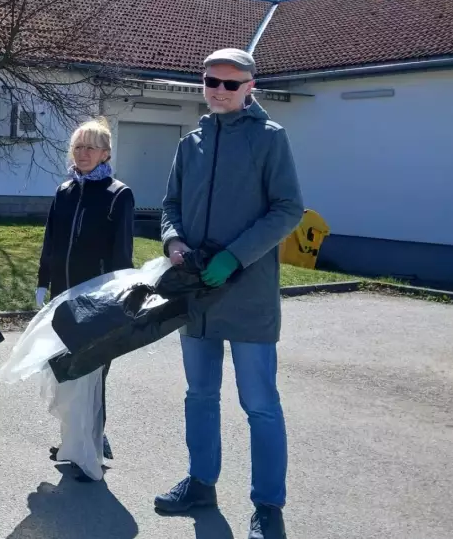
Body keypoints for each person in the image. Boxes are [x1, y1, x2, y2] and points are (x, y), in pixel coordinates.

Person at [153, 48, 303, 539]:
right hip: (196, 293)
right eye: (210, 81)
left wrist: (234, 256)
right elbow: (170, 204)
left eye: (230, 84)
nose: (218, 90)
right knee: (199, 394)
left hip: (248, 293)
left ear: (249, 88)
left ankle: (268, 507)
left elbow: (287, 209)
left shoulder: (269, 139)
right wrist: (174, 240)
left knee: (259, 403)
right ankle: (201, 483)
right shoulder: (191, 142)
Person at [35, 116, 135, 475]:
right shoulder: (65, 190)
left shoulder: (117, 195)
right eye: (78, 146)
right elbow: (51, 240)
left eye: (91, 146)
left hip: (97, 300)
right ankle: (73, 438)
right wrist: (42, 281)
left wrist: (122, 298)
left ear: (106, 153)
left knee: (93, 372)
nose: (84, 153)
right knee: (68, 370)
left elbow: (122, 252)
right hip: (63, 298)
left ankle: (91, 440)